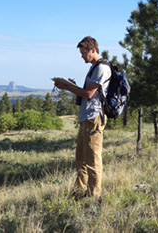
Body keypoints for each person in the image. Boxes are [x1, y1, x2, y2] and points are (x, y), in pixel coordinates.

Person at [54, 36, 111, 201]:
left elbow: (88, 94)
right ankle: (79, 190)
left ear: (93, 50)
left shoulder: (101, 68)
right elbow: (88, 93)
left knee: (93, 158)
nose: (81, 56)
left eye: (83, 52)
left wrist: (66, 88)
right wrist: (72, 86)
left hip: (94, 117)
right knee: (81, 158)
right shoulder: (94, 68)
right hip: (87, 117)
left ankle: (94, 195)